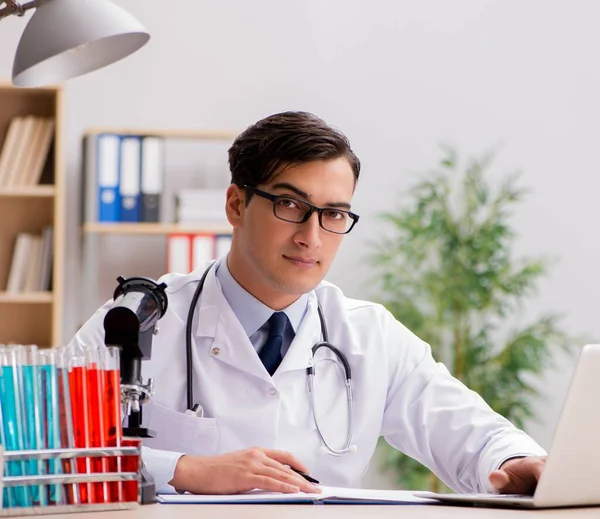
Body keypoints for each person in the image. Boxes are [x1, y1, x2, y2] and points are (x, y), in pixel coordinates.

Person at [69, 111, 547, 496]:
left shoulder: (368, 335)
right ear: (236, 205)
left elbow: (470, 431)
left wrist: (513, 461)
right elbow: (50, 445)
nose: (311, 236)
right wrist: (186, 469)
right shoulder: (139, 319)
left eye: (334, 214)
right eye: (291, 205)